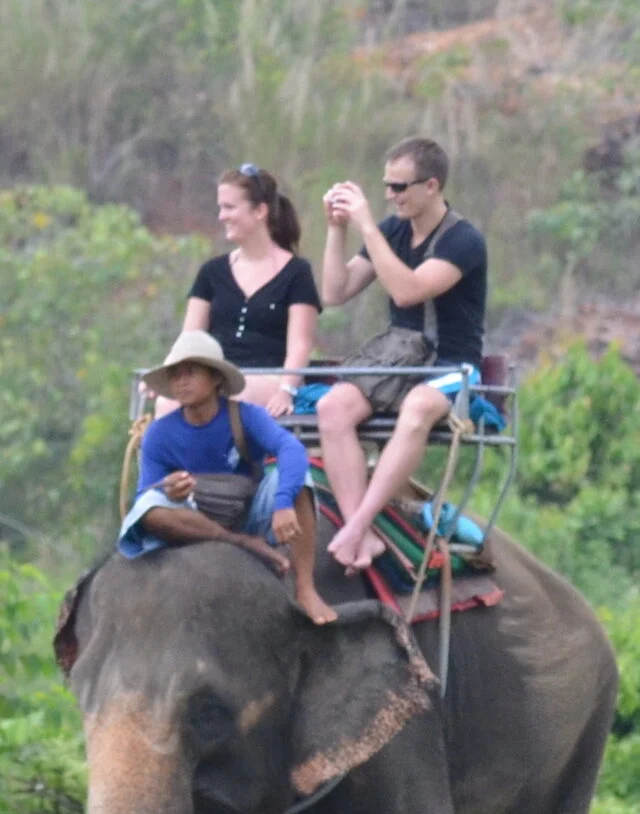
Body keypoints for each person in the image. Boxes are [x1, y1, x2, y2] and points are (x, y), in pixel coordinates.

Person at [315, 136, 490, 574]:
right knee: (332, 407)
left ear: (431, 186)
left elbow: (408, 291)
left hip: (451, 364)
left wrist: (368, 228)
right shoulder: (393, 230)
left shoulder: (463, 240)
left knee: (418, 408)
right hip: (399, 360)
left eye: (400, 187)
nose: (391, 196)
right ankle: (366, 536)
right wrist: (337, 230)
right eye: (386, 187)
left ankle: (356, 526)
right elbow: (335, 292)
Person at [118, 332, 331, 622]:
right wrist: (169, 489)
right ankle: (240, 542)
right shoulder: (159, 433)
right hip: (194, 519)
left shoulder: (246, 415)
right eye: (175, 375)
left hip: (249, 511)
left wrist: (282, 504)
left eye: (190, 372)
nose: (181, 381)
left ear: (216, 377)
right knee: (148, 509)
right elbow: (145, 494)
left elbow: (290, 448)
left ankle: (305, 588)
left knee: (297, 480)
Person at [172, 165, 320, 419]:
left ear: (260, 211)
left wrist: (286, 390)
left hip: (268, 377)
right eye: (220, 207)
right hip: (214, 375)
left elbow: (300, 344)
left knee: (228, 397)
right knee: (169, 404)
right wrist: (165, 376)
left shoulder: (297, 272)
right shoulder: (211, 272)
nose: (221, 216)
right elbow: (189, 337)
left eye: (229, 207)